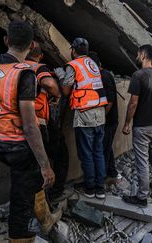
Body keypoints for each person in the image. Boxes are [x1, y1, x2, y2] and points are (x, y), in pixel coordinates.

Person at [0, 21, 60, 242]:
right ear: (32, 45)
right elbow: (30, 126)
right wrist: (45, 166)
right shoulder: (24, 74)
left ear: (6, 40)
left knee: (29, 180)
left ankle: (46, 218)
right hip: (16, 145)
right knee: (21, 201)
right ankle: (22, 235)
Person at [59, 37, 108, 199]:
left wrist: (60, 74)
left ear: (73, 50)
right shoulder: (92, 63)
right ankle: (100, 188)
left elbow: (66, 91)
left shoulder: (74, 65)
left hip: (85, 113)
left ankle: (90, 188)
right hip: (99, 113)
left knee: (86, 153)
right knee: (98, 152)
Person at [25, 42, 69, 202]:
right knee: (60, 156)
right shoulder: (39, 68)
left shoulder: (15, 66)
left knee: (31, 163)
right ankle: (54, 193)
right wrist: (57, 96)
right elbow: (50, 84)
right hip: (39, 121)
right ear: (41, 56)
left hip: (17, 122)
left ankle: (32, 200)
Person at [122, 44, 152, 206]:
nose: (137, 56)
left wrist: (127, 123)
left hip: (141, 125)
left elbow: (133, 103)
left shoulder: (138, 75)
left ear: (144, 55)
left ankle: (141, 197)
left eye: (138, 53)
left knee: (142, 161)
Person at [88, 51, 120, 183]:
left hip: (108, 121)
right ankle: (112, 173)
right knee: (107, 147)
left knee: (103, 150)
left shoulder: (105, 77)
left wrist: (100, 118)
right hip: (104, 120)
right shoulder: (97, 77)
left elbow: (110, 101)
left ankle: (101, 180)